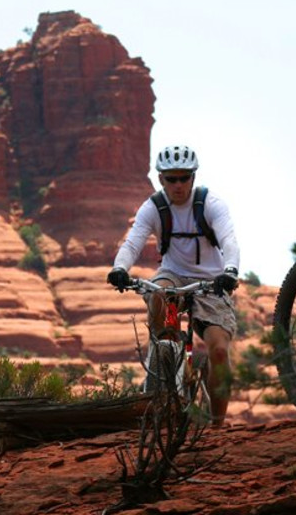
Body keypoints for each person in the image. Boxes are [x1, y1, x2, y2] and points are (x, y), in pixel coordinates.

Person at [107, 145, 240, 427]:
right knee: (158, 294)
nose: (178, 185)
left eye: (184, 178)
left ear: (193, 177)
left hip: (212, 281)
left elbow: (229, 240)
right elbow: (133, 242)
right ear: (161, 179)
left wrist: (230, 271)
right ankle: (166, 361)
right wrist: (120, 268)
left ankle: (217, 424)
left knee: (218, 351)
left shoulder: (211, 204)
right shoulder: (154, 208)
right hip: (173, 275)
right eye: (171, 179)